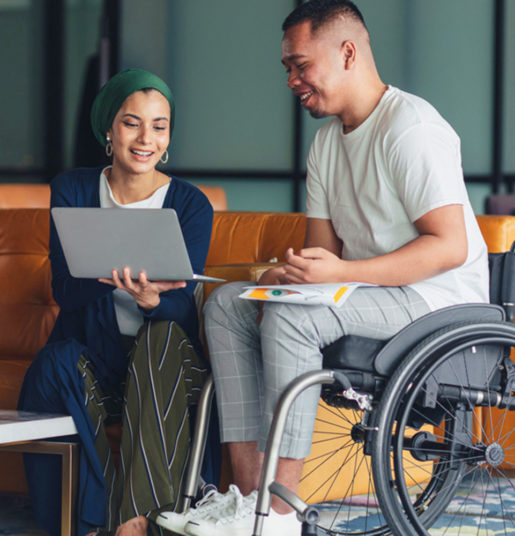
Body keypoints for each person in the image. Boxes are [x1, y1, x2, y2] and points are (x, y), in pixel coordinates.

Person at [162, 1, 490, 535]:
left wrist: (333, 277)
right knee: (227, 304)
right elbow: (323, 256)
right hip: (370, 297)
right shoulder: (326, 145)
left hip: (437, 302)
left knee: (297, 318)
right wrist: (284, 277)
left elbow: (449, 247)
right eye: (287, 68)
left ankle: (282, 513)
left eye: (300, 64)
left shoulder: (410, 127)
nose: (292, 79)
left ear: (347, 52)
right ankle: (250, 503)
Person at [18, 68, 216, 536]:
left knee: (160, 337)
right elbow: (64, 291)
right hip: (99, 364)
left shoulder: (190, 205)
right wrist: (111, 275)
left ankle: (133, 521)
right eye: (131, 123)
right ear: (109, 130)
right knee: (55, 362)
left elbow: (180, 306)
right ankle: (97, 520)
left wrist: (150, 302)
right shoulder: (73, 190)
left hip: (167, 368)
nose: (146, 138)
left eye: (159, 126)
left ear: (169, 136)